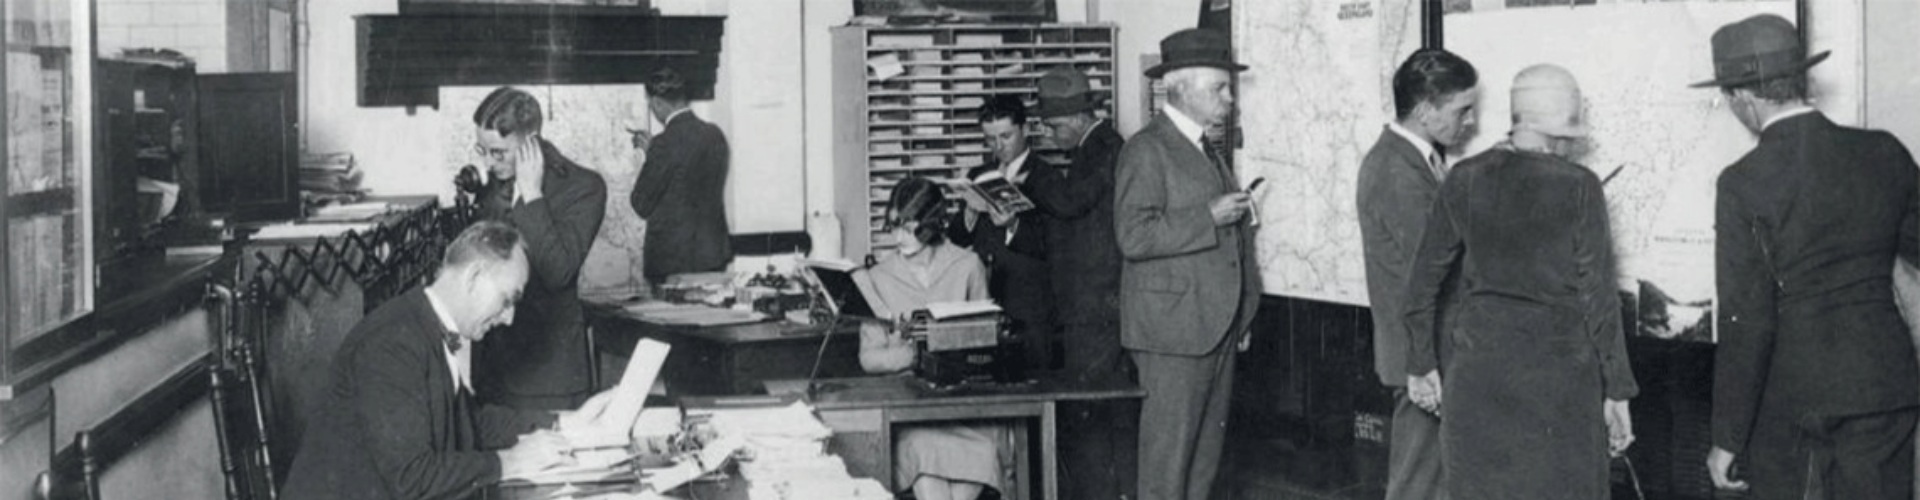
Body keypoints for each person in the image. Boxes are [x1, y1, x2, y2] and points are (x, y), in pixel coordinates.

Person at [1692, 14, 1920, 500]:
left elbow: (1746, 319)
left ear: (1743, 97)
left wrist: (1727, 437)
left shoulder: (1742, 183)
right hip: (1886, 383)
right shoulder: (1884, 151)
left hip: (1798, 400)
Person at [1401, 64, 1637, 500]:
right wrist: (1618, 391)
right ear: (1558, 132)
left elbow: (1420, 286)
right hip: (1560, 390)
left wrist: (1421, 363)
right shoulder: (1581, 186)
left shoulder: (1465, 176)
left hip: (1478, 384)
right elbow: (1600, 300)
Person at [282, 221, 616, 500]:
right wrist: (509, 462)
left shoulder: (428, 323)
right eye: (507, 299)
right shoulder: (393, 342)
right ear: (474, 277)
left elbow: (469, 422)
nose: (509, 317)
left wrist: (564, 423)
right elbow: (411, 478)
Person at [1113, 28, 1260, 500]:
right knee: (1167, 468)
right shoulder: (1147, 148)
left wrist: (1243, 311)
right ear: (1179, 87)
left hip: (1213, 327)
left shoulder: (1204, 147)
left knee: (1201, 468)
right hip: (1173, 335)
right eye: (1219, 88)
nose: (1229, 99)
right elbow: (1133, 235)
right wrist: (1208, 216)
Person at [1356, 47, 1478, 500]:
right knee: (1418, 486)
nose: (1470, 122)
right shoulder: (1397, 170)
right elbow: (1432, 269)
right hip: (1423, 358)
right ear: (1426, 112)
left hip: (1430, 351)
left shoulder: (1417, 161)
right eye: (1462, 110)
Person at [857, 176, 1010, 500]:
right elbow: (869, 358)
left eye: (907, 227)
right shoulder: (877, 277)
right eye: (893, 226)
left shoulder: (967, 265)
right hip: (909, 412)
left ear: (931, 223)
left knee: (983, 449)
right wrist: (914, 356)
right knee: (924, 454)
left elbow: (989, 339)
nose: (898, 237)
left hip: (965, 407)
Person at [1023, 66, 1135, 500]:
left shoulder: (1105, 147)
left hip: (1097, 307)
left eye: (1053, 127)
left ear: (1074, 118)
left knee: (1091, 414)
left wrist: (1027, 171)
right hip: (1088, 304)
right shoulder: (1094, 149)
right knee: (1094, 413)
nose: (1051, 137)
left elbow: (1070, 203)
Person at [467, 87, 609, 411]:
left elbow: (558, 272)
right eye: (482, 150)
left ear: (531, 142)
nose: (488, 163)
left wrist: (532, 195)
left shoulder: (584, 187)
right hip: (492, 372)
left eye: (498, 152)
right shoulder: (492, 185)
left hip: (549, 377)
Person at [947, 95, 1056, 370]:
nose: (998, 146)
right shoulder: (978, 174)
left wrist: (1012, 225)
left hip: (1028, 304)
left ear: (1025, 129)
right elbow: (957, 239)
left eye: (1006, 136)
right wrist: (970, 212)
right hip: (984, 297)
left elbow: (1053, 245)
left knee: (1032, 380)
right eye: (990, 138)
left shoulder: (1047, 177)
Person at [629, 67, 733, 285]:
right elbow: (688, 177)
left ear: (657, 102)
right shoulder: (714, 134)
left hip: (672, 261)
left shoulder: (663, 144)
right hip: (712, 254)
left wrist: (652, 156)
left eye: (651, 105)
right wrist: (655, 152)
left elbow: (641, 204)